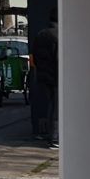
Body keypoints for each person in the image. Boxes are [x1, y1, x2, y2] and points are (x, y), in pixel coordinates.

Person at [27, 15, 58, 147]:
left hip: (43, 76)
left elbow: (33, 56)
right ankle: (55, 138)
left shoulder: (40, 35)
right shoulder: (58, 35)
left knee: (51, 106)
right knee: (57, 107)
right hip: (56, 76)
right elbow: (58, 58)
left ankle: (51, 136)